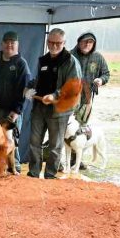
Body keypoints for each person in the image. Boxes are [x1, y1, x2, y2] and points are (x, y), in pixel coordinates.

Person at [26, 28, 83, 179]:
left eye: (58, 43)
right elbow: (38, 80)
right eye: (51, 42)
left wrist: (55, 95)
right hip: (39, 107)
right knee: (34, 142)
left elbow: (74, 86)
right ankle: (33, 173)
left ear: (64, 43)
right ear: (47, 42)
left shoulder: (70, 61)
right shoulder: (43, 60)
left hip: (59, 111)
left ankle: (50, 175)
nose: (54, 45)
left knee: (55, 146)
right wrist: (29, 88)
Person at [0, 31, 31, 173]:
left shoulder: (21, 64)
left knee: (11, 141)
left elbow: (25, 90)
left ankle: (14, 167)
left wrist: (17, 111)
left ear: (17, 45)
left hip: (12, 111)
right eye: (7, 42)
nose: (9, 45)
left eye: (13, 42)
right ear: (2, 43)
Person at [72, 32, 110, 125]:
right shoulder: (69, 56)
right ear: (79, 42)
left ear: (94, 44)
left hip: (87, 96)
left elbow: (106, 74)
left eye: (90, 42)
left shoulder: (98, 57)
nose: (87, 44)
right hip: (70, 96)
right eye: (84, 41)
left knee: (82, 123)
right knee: (67, 125)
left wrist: (101, 80)